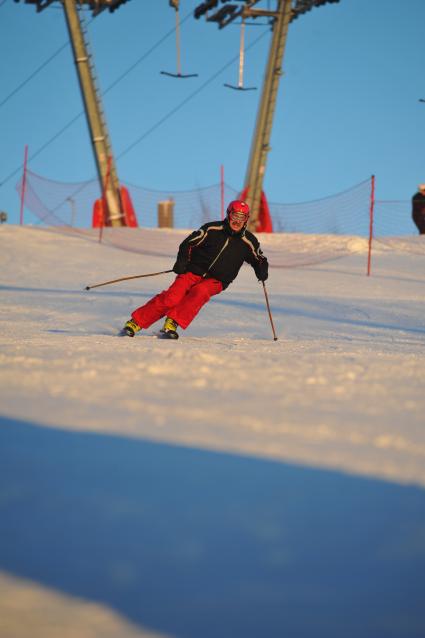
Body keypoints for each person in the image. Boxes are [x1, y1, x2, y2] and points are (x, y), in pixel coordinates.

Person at [122, 199, 269, 339]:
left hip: (217, 280)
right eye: (235, 215)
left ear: (246, 219)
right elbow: (188, 243)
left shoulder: (249, 241)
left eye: (242, 217)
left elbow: (259, 259)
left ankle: (172, 323)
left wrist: (261, 269)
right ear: (228, 214)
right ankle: (135, 323)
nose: (237, 221)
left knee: (200, 292)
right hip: (193, 271)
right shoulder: (212, 229)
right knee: (172, 298)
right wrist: (182, 262)